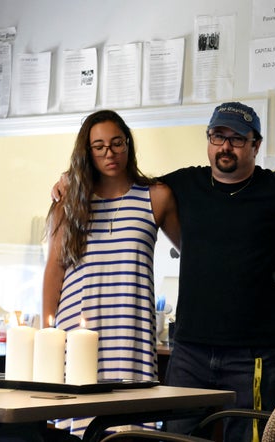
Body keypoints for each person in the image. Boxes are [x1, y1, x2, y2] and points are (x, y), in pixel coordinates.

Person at [51, 102, 275, 441]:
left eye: (236, 138)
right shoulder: (180, 187)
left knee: (250, 436)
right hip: (189, 350)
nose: (225, 146)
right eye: (217, 136)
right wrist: (71, 175)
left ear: (256, 145)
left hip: (254, 353)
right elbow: (121, 179)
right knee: (175, 439)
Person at [43, 109, 180, 436]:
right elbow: (54, 270)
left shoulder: (156, 197)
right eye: (99, 146)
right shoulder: (71, 201)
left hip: (130, 336)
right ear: (88, 152)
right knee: (77, 430)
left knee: (128, 432)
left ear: (128, 145)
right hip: (76, 335)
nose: (110, 153)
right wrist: (48, 338)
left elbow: (196, 253)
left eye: (117, 143)